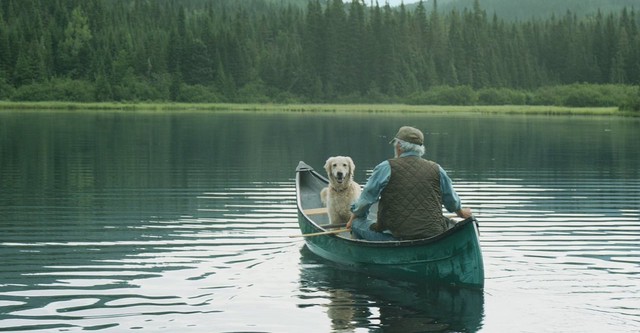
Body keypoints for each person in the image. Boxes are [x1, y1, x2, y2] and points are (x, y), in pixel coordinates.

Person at [346, 126, 472, 241]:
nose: (395, 147)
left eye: (395, 144)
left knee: (357, 223)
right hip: (433, 234)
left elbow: (367, 198)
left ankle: (360, 260)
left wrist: (354, 217)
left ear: (400, 146)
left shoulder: (386, 167)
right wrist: (461, 213)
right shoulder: (437, 169)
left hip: (396, 236)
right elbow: (450, 199)